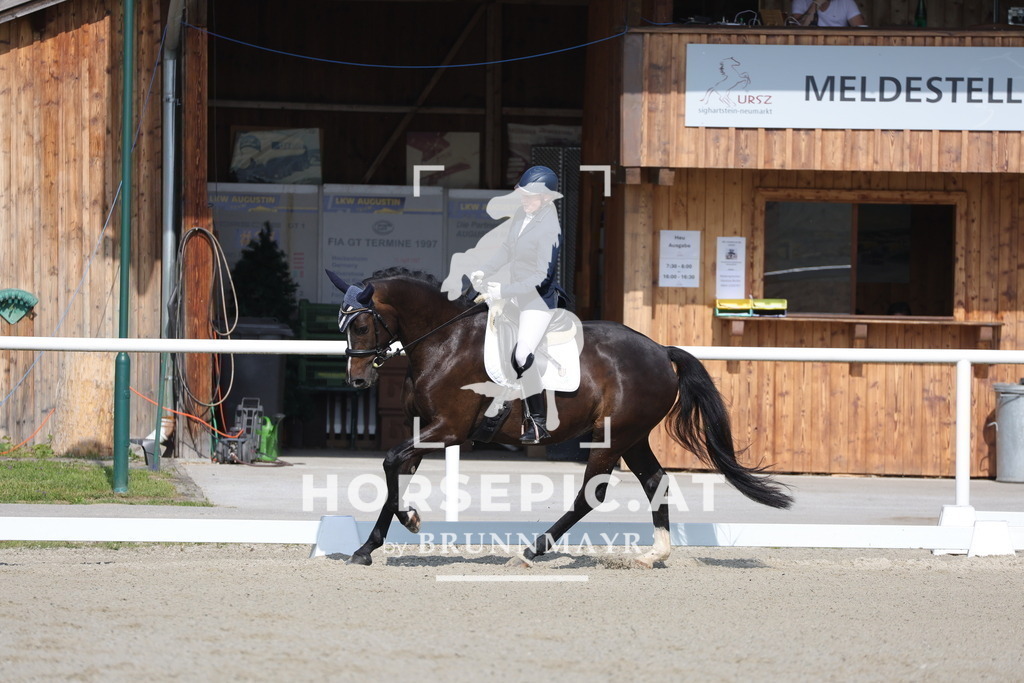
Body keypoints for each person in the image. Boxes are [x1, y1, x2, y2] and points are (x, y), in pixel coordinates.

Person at [468, 165, 565, 443]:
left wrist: (504, 288)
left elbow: (541, 276)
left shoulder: (550, 228)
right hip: (514, 296)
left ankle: (538, 423)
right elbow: (507, 250)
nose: (524, 199)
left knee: (522, 354)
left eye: (531, 195)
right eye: (523, 194)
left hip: (537, 301)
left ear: (546, 198)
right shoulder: (523, 214)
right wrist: (484, 270)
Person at [791, 0, 866, 26]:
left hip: (840, 48)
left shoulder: (846, 2)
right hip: (811, 49)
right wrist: (815, 4)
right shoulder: (800, 1)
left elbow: (861, 30)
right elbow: (798, 29)